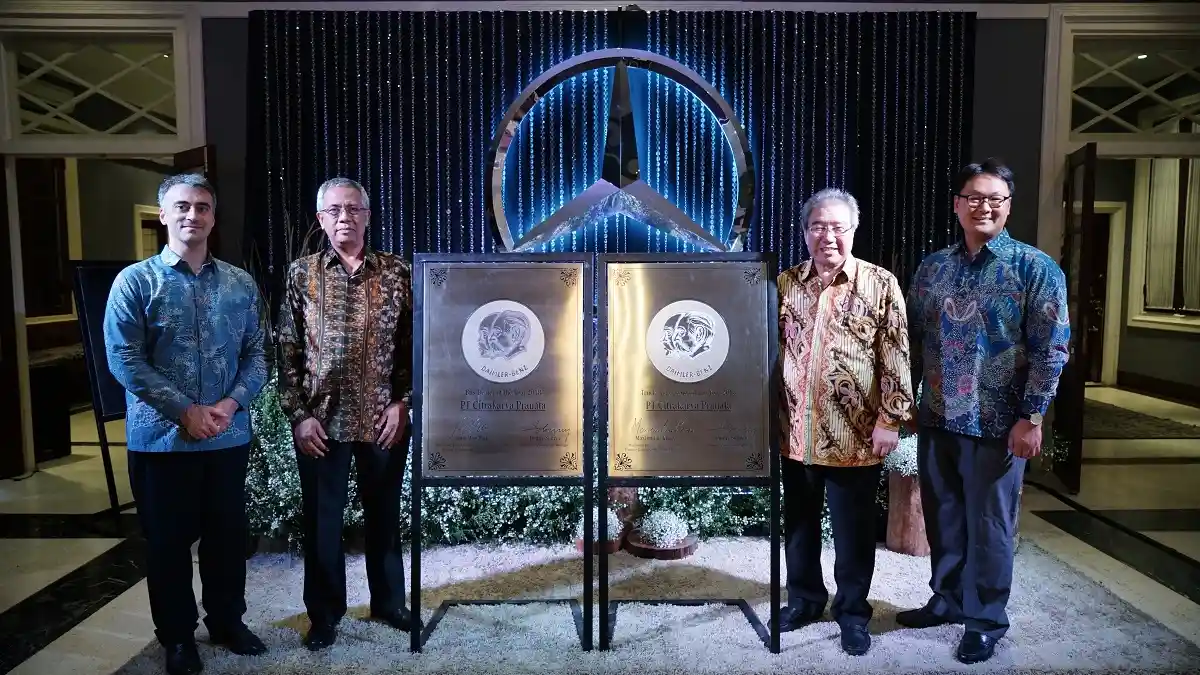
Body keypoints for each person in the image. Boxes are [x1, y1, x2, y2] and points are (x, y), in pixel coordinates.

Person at [900, 159, 1070, 664]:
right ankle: (947, 599)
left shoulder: (1034, 268)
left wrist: (1032, 417)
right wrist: (905, 403)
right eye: (974, 197)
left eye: (995, 198)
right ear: (957, 205)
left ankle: (986, 619)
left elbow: (1052, 350)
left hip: (998, 424)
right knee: (943, 517)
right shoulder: (933, 268)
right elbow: (912, 340)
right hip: (938, 417)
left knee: (991, 526)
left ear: (1008, 206)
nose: (984, 207)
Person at [104, 173, 268, 675]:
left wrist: (232, 404)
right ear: (163, 214)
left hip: (227, 435)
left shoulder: (240, 283)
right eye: (182, 206)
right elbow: (124, 358)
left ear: (213, 218)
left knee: (227, 539)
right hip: (161, 441)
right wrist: (185, 411)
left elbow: (257, 355)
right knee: (168, 545)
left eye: (202, 207)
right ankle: (177, 637)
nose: (192, 215)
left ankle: (227, 621)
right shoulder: (135, 282)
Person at [277, 177, 416, 650]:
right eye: (334, 210)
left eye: (353, 209)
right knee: (322, 523)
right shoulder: (302, 274)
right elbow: (287, 349)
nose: (344, 218)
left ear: (367, 216)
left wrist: (403, 403)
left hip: (383, 421)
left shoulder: (396, 271)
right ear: (321, 220)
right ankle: (324, 614)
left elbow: (414, 345)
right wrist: (299, 415)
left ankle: (389, 602)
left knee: (385, 516)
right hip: (321, 422)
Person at [776, 188, 915, 656]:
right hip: (796, 433)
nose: (828, 236)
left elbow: (896, 355)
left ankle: (853, 613)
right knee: (799, 527)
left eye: (838, 227)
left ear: (853, 231)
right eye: (818, 226)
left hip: (855, 435)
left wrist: (890, 419)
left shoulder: (880, 283)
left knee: (853, 534)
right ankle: (804, 600)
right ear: (805, 232)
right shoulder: (785, 283)